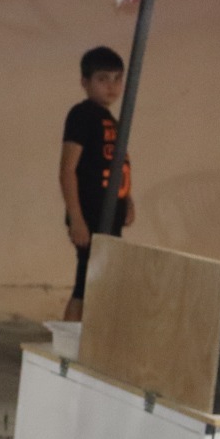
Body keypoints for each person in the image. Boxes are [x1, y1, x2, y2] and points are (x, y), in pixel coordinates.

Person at [61, 45, 136, 321]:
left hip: (110, 213)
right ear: (85, 81)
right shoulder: (82, 115)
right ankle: (67, 340)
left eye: (117, 79)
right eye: (103, 79)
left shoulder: (111, 121)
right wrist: (77, 218)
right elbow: (68, 169)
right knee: (85, 284)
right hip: (91, 214)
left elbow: (116, 165)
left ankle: (82, 338)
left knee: (95, 284)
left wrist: (127, 200)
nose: (112, 86)